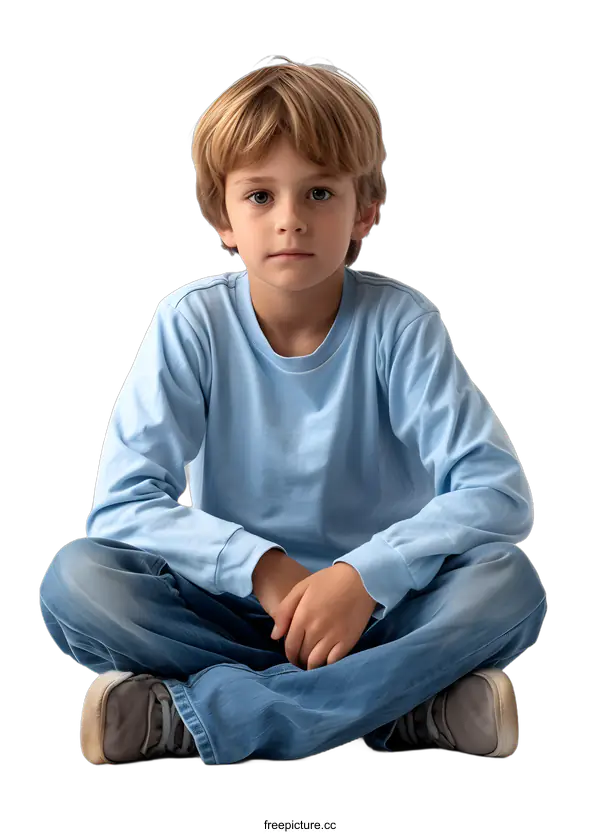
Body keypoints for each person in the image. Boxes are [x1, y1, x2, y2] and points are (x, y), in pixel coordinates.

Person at [38, 58, 547, 768]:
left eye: (318, 191)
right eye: (259, 196)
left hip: (381, 614)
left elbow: (495, 496)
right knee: (78, 584)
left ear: (365, 208)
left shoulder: (401, 325)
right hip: (236, 610)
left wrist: (363, 576)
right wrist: (261, 569)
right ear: (221, 217)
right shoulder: (193, 324)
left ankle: (194, 717)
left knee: (507, 586)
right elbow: (124, 505)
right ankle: (405, 710)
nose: (289, 220)